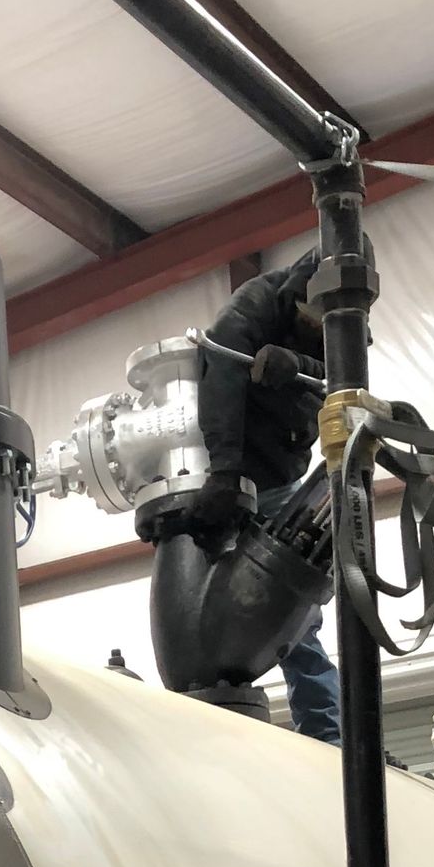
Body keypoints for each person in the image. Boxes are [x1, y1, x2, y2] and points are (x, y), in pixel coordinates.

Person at [147, 250, 341, 745]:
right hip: (225, 471)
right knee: (201, 598)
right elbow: (223, 373)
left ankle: (327, 736)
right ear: (290, 296)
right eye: (301, 314)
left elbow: (349, 382)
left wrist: (296, 362)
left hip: (278, 480)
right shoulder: (254, 303)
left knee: (297, 620)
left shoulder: (347, 325)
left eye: (317, 322)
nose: (308, 323)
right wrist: (226, 473)